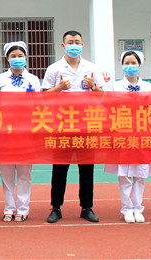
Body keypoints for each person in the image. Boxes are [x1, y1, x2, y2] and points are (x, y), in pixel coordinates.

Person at [42, 30, 106, 224]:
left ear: (82, 44)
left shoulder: (92, 68)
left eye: (77, 42)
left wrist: (94, 86)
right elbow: (43, 98)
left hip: (86, 124)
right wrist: (59, 88)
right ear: (63, 45)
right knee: (59, 168)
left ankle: (87, 207)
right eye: (70, 42)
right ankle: (56, 207)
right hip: (63, 125)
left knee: (86, 168)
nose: (74, 45)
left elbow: (103, 97)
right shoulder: (54, 69)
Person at [0, 41, 42, 223]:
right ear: (7, 59)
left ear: (26, 57)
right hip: (5, 132)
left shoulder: (33, 80)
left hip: (26, 132)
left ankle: (22, 208)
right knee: (6, 173)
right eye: (13, 56)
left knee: (24, 173)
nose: (17, 59)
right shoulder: (0, 79)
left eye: (20, 56)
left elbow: (39, 105)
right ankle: (9, 208)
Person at [106, 50, 151, 224]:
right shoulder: (115, 87)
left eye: (133, 63)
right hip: (123, 134)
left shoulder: (148, 87)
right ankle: (127, 208)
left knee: (140, 174)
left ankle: (138, 208)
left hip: (142, 134)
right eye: (126, 63)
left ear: (139, 65)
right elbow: (110, 109)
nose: (130, 66)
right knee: (125, 175)